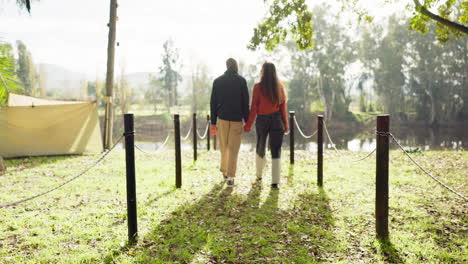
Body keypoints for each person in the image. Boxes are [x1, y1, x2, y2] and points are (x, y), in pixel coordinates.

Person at [244, 62, 288, 189]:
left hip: (262, 120)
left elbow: (254, 108)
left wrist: (248, 125)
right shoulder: (280, 87)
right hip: (277, 120)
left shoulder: (257, 87)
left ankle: (259, 175)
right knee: (276, 150)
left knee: (260, 146)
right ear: (274, 72)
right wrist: (285, 124)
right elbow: (282, 108)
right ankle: (275, 181)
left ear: (262, 71)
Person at [210, 58, 250, 186]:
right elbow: (245, 103)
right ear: (236, 66)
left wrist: (213, 122)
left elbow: (213, 103)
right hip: (236, 120)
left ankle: (225, 171)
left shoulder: (217, 81)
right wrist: (247, 121)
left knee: (224, 147)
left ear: (226, 66)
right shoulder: (241, 81)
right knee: (233, 149)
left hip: (222, 119)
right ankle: (231, 176)